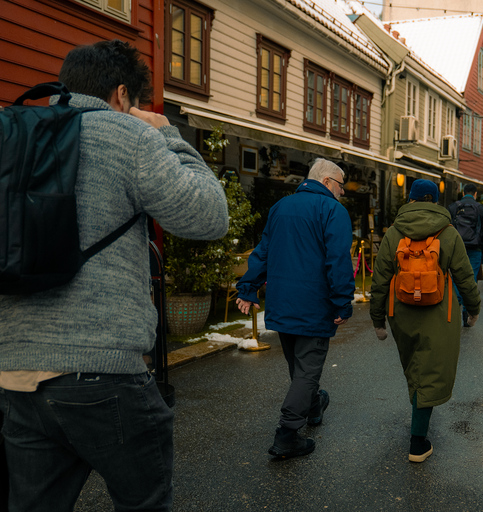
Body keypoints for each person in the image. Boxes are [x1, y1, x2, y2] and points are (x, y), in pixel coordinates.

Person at [0, 40, 229, 512]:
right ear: (122, 94)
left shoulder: (11, 136)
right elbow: (209, 217)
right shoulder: (129, 136)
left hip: (14, 373)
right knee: (144, 502)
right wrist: (166, 132)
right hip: (103, 372)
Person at [236, 158, 355, 460]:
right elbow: (338, 260)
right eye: (341, 186)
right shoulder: (333, 211)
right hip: (314, 305)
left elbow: (263, 251)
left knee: (299, 367)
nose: (343, 192)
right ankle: (287, 433)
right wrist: (342, 301)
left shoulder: (280, 207)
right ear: (327, 181)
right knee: (306, 372)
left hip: (282, 303)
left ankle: (313, 406)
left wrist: (248, 288)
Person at [369, 179, 480, 463]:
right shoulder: (448, 232)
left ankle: (418, 417)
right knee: (430, 370)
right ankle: (417, 441)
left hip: (400, 313)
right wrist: (473, 308)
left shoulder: (394, 233)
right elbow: (465, 276)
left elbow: (380, 279)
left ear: (411, 200)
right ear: (434, 200)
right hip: (439, 313)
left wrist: (378, 320)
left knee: (415, 365)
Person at [448, 183, 483, 325]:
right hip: (474, 249)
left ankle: (453, 310)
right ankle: (467, 313)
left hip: (456, 248)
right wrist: (481, 247)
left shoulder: (453, 207)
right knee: (470, 280)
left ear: (462, 192)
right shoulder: (481, 209)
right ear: (475, 194)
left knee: (455, 278)